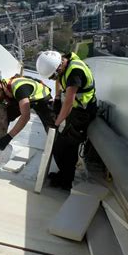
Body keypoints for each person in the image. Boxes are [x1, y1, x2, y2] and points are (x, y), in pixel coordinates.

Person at [36, 51, 98, 191]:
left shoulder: (75, 72)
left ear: (59, 67)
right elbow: (60, 79)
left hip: (84, 112)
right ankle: (64, 175)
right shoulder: (64, 62)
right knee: (63, 145)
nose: (53, 79)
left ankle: (66, 180)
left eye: (53, 76)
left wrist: (56, 123)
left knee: (67, 146)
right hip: (77, 109)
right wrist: (57, 97)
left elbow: (69, 102)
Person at [0, 72, 56, 151]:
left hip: (41, 99)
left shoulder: (19, 88)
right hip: (22, 97)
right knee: (0, 117)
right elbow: (2, 117)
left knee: (52, 129)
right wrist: (2, 139)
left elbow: (25, 116)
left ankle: (56, 149)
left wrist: (9, 137)